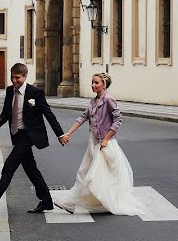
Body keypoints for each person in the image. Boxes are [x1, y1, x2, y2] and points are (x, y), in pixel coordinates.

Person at [0, 63, 67, 214]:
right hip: (16, 136)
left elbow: (48, 114)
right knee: (31, 170)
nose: (14, 80)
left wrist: (60, 134)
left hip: (28, 136)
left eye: (17, 77)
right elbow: (5, 114)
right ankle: (47, 201)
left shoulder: (35, 93)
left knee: (8, 167)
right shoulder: (10, 91)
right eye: (12, 77)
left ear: (25, 76)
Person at [53, 73, 144, 215]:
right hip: (93, 142)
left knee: (92, 176)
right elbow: (83, 117)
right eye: (92, 82)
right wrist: (68, 134)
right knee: (85, 172)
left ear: (104, 84)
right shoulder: (93, 101)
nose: (93, 85)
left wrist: (107, 139)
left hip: (105, 145)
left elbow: (118, 119)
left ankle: (73, 202)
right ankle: (75, 203)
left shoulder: (109, 99)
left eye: (96, 83)